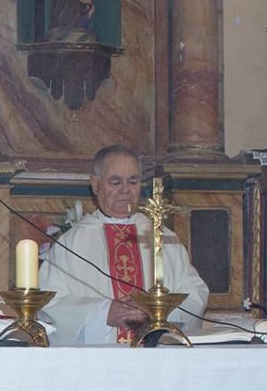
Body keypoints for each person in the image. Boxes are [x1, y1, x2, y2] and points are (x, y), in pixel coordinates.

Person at [41, 145, 207, 346]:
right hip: (98, 363)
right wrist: (103, 313)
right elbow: (49, 304)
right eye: (115, 182)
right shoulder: (71, 245)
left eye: (133, 181)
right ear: (95, 184)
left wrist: (156, 311)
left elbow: (195, 294)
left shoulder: (163, 238)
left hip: (158, 359)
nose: (125, 191)